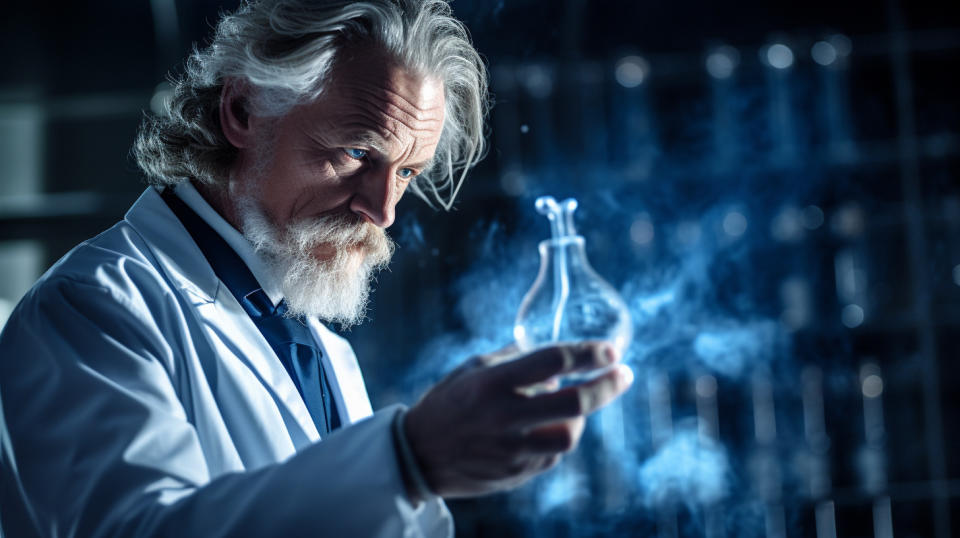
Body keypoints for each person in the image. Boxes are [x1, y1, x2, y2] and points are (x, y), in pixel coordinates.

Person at [0, 0, 634, 536]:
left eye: (407, 173)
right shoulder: (92, 308)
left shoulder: (323, 349)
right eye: (357, 152)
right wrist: (408, 460)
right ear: (243, 112)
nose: (382, 210)